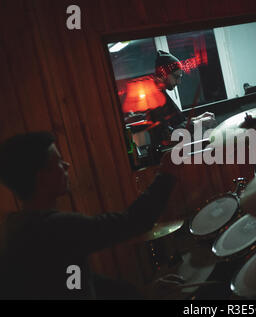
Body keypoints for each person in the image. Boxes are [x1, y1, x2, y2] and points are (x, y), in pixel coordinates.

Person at [0, 132, 181, 299]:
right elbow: (133, 221)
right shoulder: (55, 228)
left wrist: (141, 293)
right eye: (59, 161)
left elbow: (77, 279)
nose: (66, 165)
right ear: (41, 177)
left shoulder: (17, 226)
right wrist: (166, 173)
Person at [147, 50, 216, 146]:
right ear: (163, 74)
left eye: (180, 77)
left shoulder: (160, 94)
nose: (179, 82)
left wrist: (198, 118)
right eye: (176, 77)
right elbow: (169, 135)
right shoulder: (154, 99)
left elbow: (177, 123)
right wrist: (199, 122)